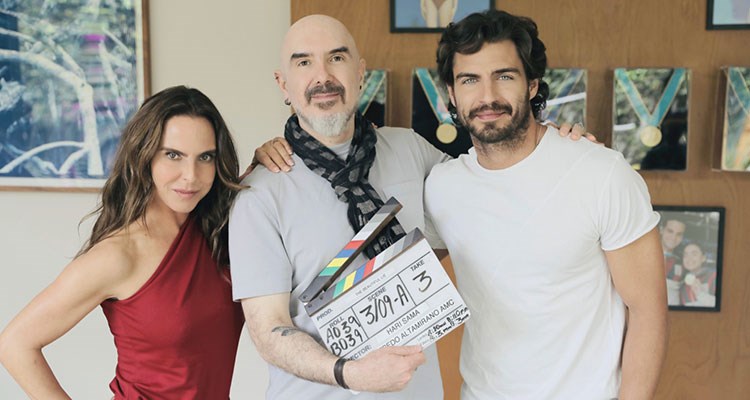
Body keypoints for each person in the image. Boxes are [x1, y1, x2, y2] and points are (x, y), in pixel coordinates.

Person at [423, 9, 668, 400]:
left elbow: (648, 311)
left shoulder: (601, 173)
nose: (487, 96)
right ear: (452, 94)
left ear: (532, 84)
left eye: (504, 76)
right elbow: (400, 285)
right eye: (470, 80)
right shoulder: (441, 187)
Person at [229, 15, 448, 400]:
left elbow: (486, 193)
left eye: (337, 57)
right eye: (303, 62)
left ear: (360, 72)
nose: (323, 76)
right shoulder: (259, 193)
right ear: (283, 84)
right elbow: (268, 330)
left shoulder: (411, 150)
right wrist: (352, 374)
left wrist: (554, 140)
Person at [0, 86, 245, 399]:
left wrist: (269, 161)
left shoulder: (221, 229)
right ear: (145, 156)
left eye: (205, 157)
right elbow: (14, 344)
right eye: (173, 155)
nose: (191, 176)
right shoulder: (119, 254)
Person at [678, 242, 717, 307]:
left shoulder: (714, 277)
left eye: (694, 254)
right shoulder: (682, 285)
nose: (689, 258)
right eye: (685, 255)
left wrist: (700, 294)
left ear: (703, 258)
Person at [659, 217, 687, 304]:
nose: (673, 237)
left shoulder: (684, 262)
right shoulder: (645, 255)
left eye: (679, 234)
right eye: (670, 231)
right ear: (661, 230)